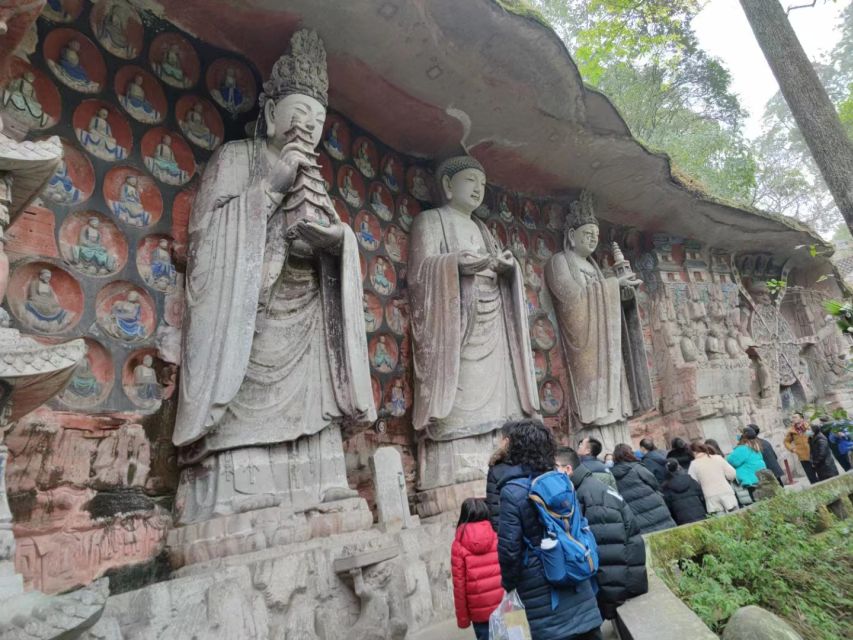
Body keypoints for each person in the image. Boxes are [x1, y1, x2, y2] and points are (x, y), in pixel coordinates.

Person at [497, 420, 603, 640]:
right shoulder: (563, 481)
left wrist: (509, 584)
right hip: (576, 573)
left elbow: (509, 549)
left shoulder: (512, 491)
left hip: (541, 589)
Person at [555, 447, 647, 622]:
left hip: (623, 589)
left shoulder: (592, 496)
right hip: (624, 583)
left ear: (568, 469)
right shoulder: (587, 487)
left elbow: (610, 555)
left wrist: (611, 606)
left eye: (555, 468)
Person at [451, 498, 504, 640]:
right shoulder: (496, 536)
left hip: (479, 614)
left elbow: (459, 586)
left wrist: (463, 619)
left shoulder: (458, 544)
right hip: (503, 605)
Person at [610, 444, 675, 534]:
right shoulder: (637, 467)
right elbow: (653, 483)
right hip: (654, 506)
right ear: (629, 453)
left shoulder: (612, 474)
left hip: (635, 512)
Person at [486, 421, 519, 531]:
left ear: (506, 441)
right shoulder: (533, 463)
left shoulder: (496, 469)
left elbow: (494, 508)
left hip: (508, 531)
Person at [687, 443, 737, 515]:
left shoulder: (693, 465)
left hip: (710, 496)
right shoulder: (718, 458)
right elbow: (732, 473)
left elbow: (693, 482)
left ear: (692, 452)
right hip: (726, 491)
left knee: (721, 521)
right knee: (736, 515)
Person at [661, 460, 706, 525]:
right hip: (700, 514)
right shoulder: (690, 480)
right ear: (678, 467)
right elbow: (701, 495)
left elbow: (669, 506)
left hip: (682, 519)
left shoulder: (665, 487)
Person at [726, 427, 766, 496]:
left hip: (750, 480)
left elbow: (732, 461)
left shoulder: (743, 448)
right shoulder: (755, 445)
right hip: (759, 477)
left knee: (756, 499)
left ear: (743, 436)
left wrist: (727, 457)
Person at [784, 412, 817, 483]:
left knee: (821, 474)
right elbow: (786, 442)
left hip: (814, 454)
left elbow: (817, 436)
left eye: (795, 417)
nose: (793, 419)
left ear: (801, 418)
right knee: (812, 477)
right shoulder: (791, 431)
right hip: (803, 456)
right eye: (792, 417)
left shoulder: (809, 426)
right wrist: (792, 449)